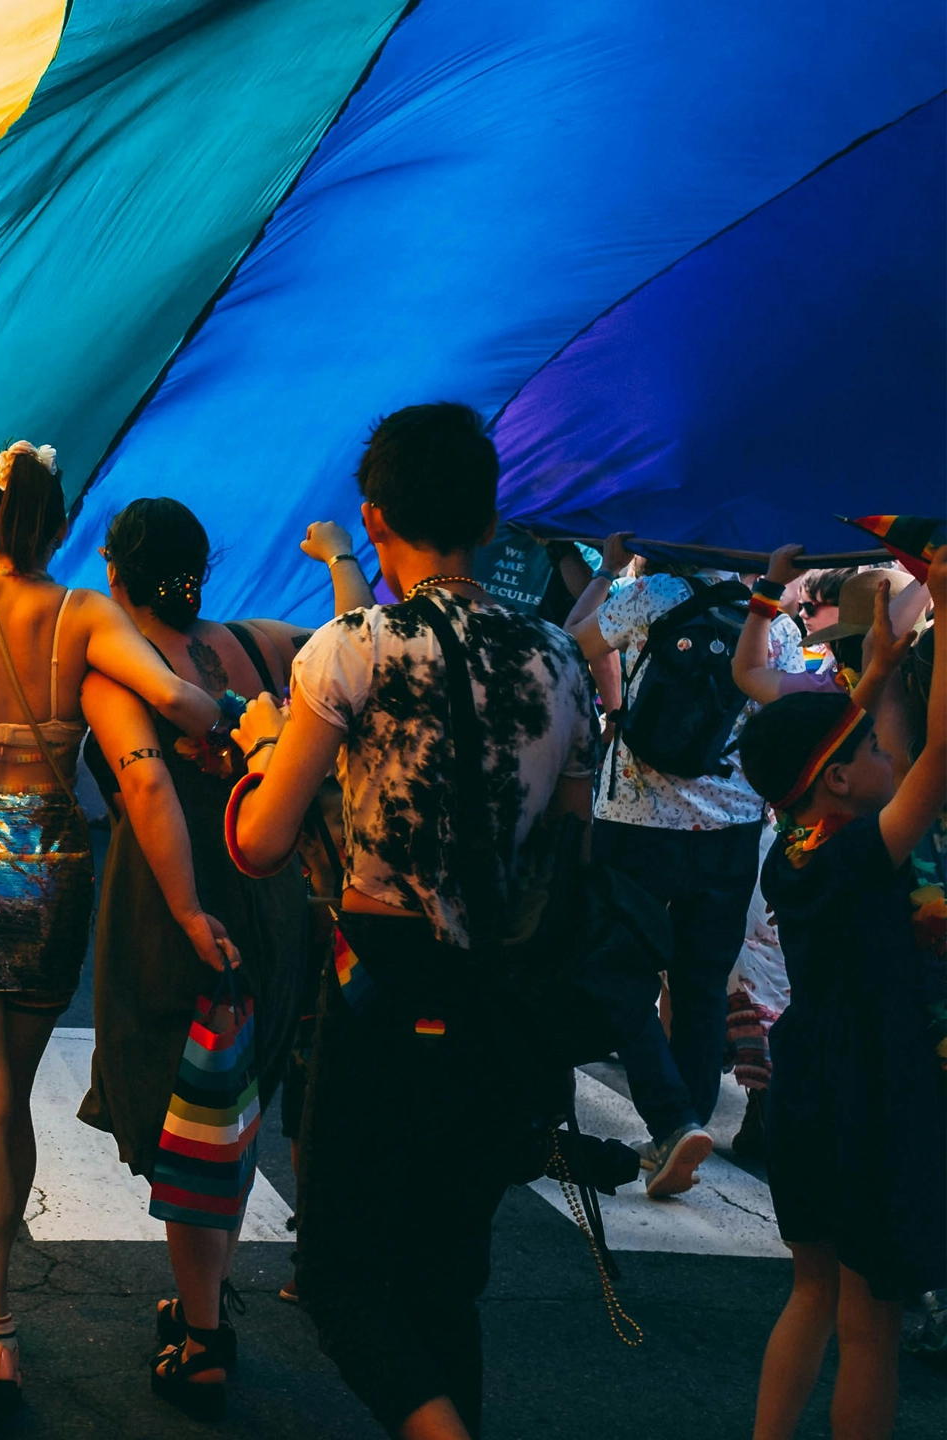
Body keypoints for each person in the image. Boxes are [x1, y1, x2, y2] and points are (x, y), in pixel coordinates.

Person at [0, 245, 220, 1414]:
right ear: (65, 522)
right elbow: (174, 702)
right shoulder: (81, 616)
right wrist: (240, 718)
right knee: (6, 1104)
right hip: (52, 869)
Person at [229, 402, 599, 1440]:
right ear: (487, 521)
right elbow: (569, 855)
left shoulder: (353, 648)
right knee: (445, 1286)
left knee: (343, 1280)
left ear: (373, 517)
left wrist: (263, 746)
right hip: (505, 1014)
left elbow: (260, 841)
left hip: (383, 1003)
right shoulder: (559, 664)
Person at [75, 497, 319, 1419]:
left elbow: (143, 785)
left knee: (185, 1110)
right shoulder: (261, 646)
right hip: (271, 890)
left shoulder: (118, 672)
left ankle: (204, 1332)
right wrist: (339, 559)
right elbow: (351, 640)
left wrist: (181, 910)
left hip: (174, 906)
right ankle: (200, 1298)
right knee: (231, 1102)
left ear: (117, 574)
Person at [739, 563, 945, 1440]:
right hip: (874, 1095)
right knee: (873, 1325)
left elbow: (857, 744)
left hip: (808, 1088)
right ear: (839, 783)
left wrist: (884, 667)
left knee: (811, 1292)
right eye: (869, 753)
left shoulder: (798, 844)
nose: (885, 754)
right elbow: (938, 754)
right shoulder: (864, 860)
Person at [563, 530, 804, 1197]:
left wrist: (607, 572)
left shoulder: (648, 594)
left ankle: (671, 1122)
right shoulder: (774, 621)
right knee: (699, 988)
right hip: (729, 826)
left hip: (635, 823)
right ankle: (688, 1121)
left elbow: (570, 647)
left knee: (621, 972)